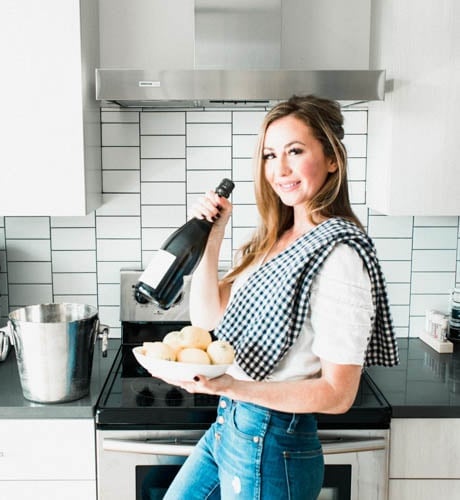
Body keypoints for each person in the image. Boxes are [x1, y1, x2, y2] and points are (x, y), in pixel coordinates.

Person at [163, 95, 399, 500]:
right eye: (271, 155)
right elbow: (207, 318)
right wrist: (211, 236)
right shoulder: (275, 240)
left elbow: (338, 394)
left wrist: (227, 387)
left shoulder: (340, 253)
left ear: (331, 159)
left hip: (272, 441)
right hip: (231, 427)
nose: (280, 169)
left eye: (295, 151)